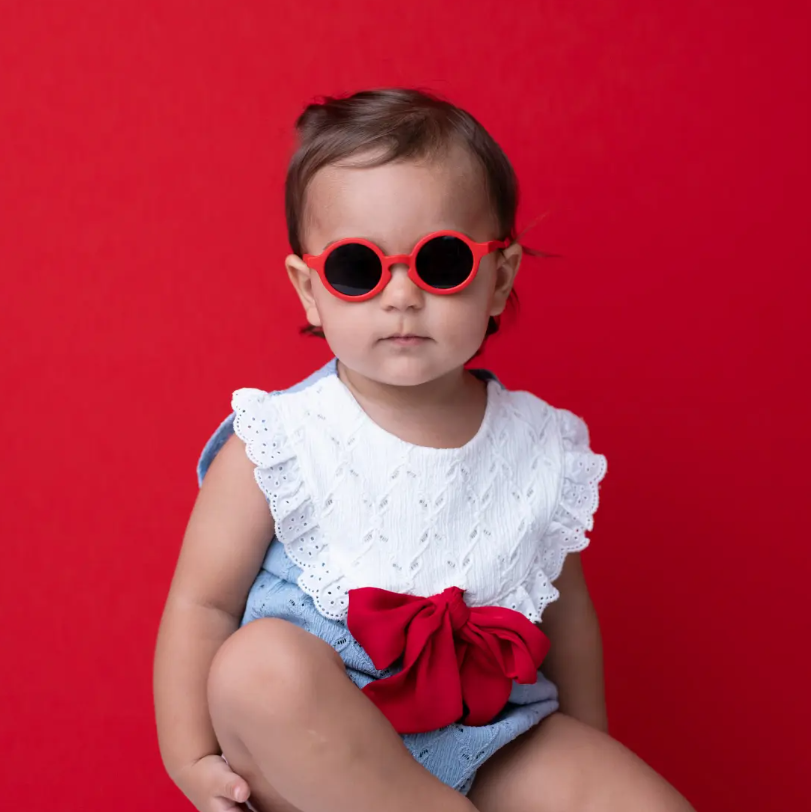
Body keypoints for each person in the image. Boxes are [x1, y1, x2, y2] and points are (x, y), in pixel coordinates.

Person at [154, 88, 695, 812]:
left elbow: (568, 618)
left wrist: (587, 750)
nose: (403, 295)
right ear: (310, 290)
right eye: (358, 269)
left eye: (441, 263)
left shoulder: (542, 446)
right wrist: (189, 754)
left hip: (494, 733)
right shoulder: (282, 439)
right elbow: (202, 602)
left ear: (499, 280)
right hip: (319, 748)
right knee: (257, 668)